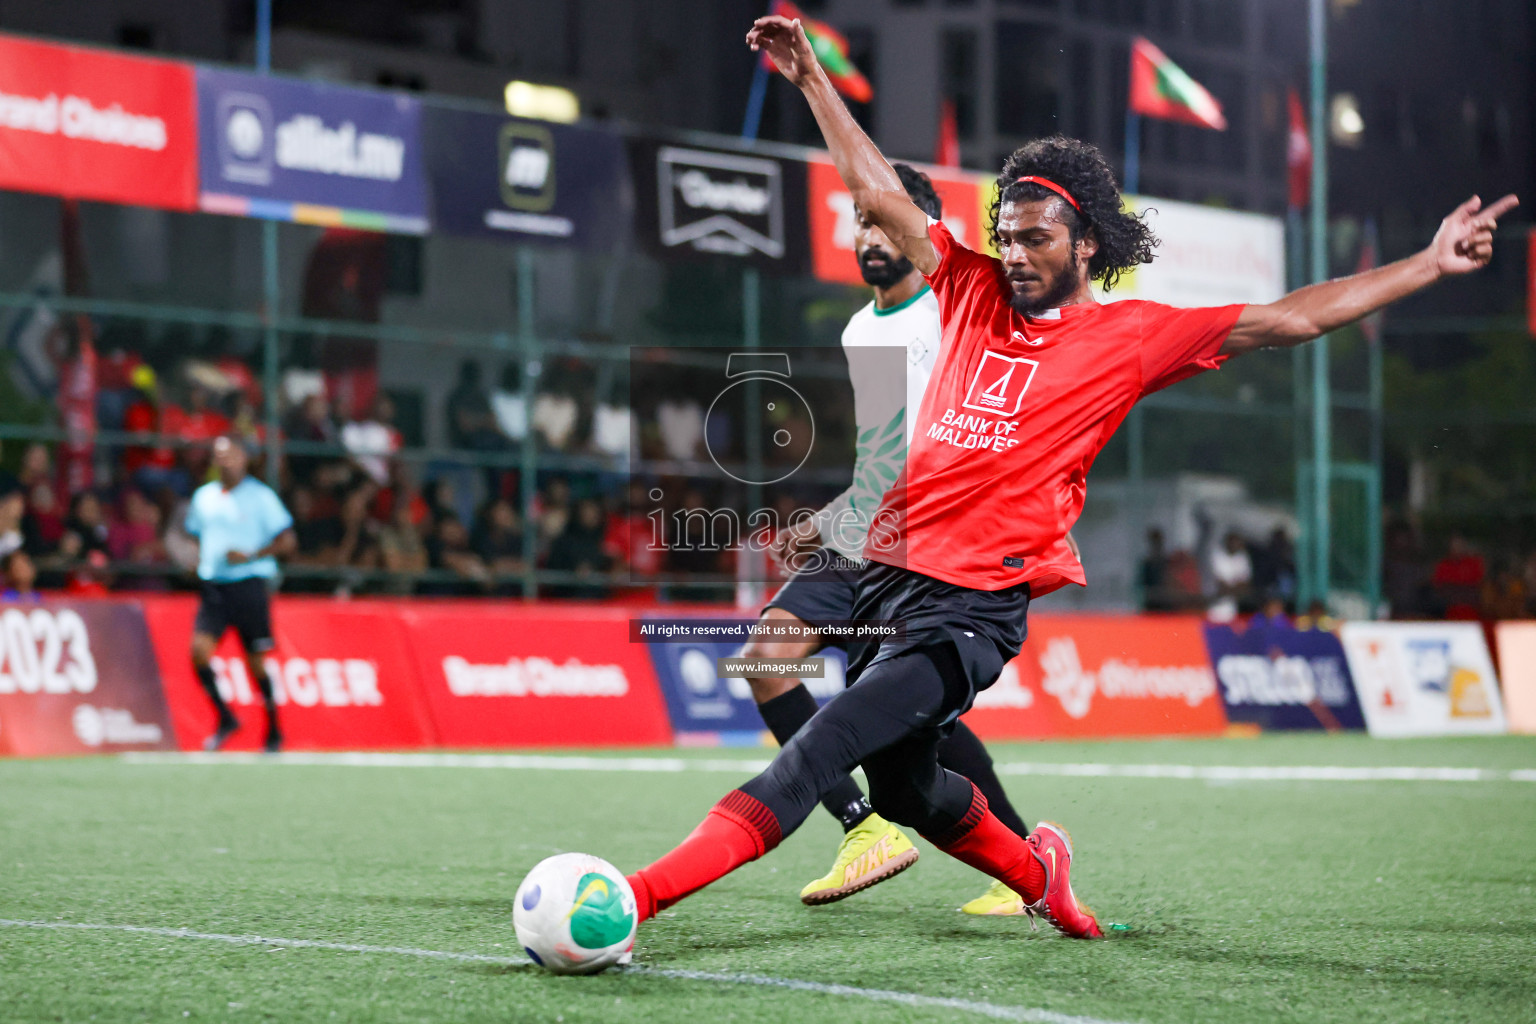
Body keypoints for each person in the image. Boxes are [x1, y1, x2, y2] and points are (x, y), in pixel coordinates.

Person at [612, 13, 1518, 945]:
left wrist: (1427, 264)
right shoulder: (966, 283)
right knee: (909, 787)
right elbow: (877, 193)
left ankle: (632, 899)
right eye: (1006, 232)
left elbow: (1287, 319)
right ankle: (1040, 869)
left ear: (1087, 244)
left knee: (824, 747)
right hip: (890, 559)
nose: (1014, 251)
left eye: (1036, 238)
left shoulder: (1129, 337)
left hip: (971, 604)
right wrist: (810, 80)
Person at [737, 163, 1040, 914]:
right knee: (767, 656)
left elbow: (944, 447)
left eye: (885, 222)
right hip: (867, 536)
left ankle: (1021, 862)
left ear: (922, 229)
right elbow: (885, 454)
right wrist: (831, 518)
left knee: (919, 720)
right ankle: (862, 827)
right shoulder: (858, 328)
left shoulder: (953, 314)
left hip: (931, 547)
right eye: (861, 222)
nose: (870, 237)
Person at [184, 436, 296, 753]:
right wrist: (195, 559)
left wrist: (251, 555)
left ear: (244, 458)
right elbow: (193, 534)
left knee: (255, 661)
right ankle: (225, 717)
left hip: (248, 583)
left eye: (231, 455)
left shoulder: (261, 497)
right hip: (214, 585)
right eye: (219, 456)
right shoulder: (204, 498)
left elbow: (287, 541)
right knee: (198, 652)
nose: (226, 461)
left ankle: (274, 729)